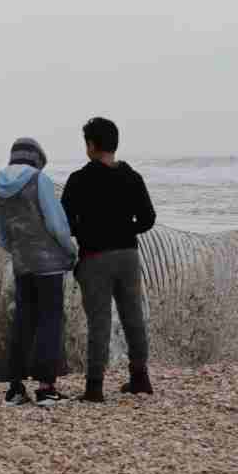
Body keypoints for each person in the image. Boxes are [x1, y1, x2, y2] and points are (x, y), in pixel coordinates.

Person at [62, 117, 156, 403]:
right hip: (129, 255)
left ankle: (94, 387)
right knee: (133, 317)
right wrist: (125, 229)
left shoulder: (79, 180)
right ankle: (140, 378)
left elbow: (65, 222)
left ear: (90, 145)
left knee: (99, 323)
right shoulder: (132, 177)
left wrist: (86, 231)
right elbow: (148, 219)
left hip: (95, 257)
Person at [0, 137, 77, 407]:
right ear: (37, 159)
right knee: (50, 321)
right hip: (48, 264)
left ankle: (15, 388)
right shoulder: (39, 180)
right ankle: (46, 388)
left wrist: (18, 252)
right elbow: (56, 224)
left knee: (23, 321)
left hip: (22, 263)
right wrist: (70, 250)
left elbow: (0, 233)